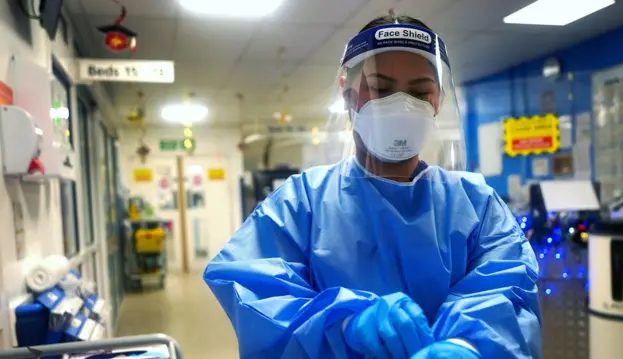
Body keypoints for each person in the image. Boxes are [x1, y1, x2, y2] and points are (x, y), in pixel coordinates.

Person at [203, 13, 541, 359]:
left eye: (419, 91)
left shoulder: (476, 206)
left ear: (437, 100)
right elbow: (258, 299)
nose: (402, 105)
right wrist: (345, 325)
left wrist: (467, 345)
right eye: (381, 88)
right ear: (347, 93)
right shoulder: (299, 203)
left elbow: (508, 296)